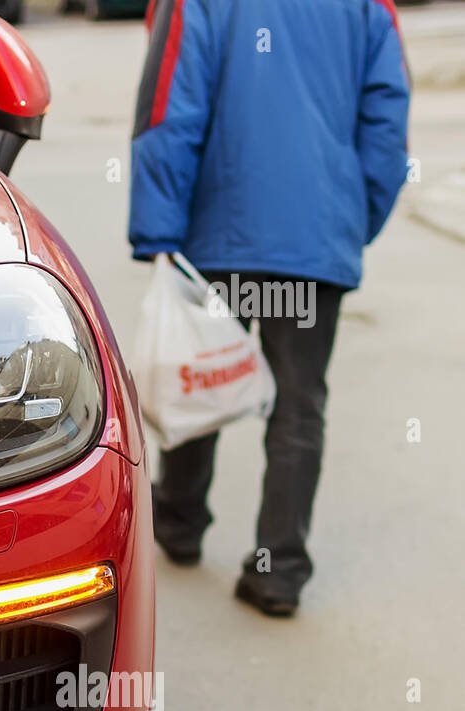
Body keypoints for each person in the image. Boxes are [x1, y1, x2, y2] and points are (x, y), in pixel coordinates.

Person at [128, 0, 411, 617]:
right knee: (299, 402)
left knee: (199, 367)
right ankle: (278, 569)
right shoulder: (370, 7)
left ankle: (178, 521)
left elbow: (170, 109)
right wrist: (350, 220)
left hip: (219, 235)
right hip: (313, 243)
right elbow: (387, 124)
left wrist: (159, 231)